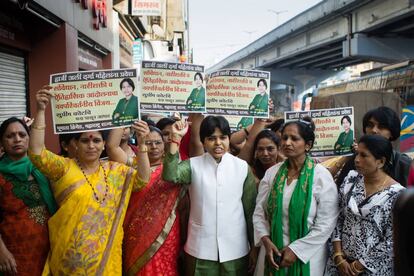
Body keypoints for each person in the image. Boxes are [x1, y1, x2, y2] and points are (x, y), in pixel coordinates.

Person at [28, 85, 151, 275]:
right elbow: (36, 153)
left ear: (104, 146)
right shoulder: (65, 168)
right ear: (75, 145)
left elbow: (143, 179)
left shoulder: (114, 171)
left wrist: (142, 145)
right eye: (85, 141)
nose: (91, 145)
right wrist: (41, 110)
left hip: (107, 261)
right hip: (68, 263)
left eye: (97, 141)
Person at [162, 116, 258, 275]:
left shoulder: (241, 167)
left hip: (236, 249)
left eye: (223, 138)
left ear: (229, 139)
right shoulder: (193, 165)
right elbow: (170, 175)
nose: (218, 143)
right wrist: (175, 138)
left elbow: (250, 210)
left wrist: (254, 246)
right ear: (203, 141)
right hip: (200, 249)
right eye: (211, 138)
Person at [253, 119, 338, 276]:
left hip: (307, 256)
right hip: (272, 253)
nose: (287, 142)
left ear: (308, 145)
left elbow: (326, 223)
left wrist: (296, 250)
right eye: (284, 138)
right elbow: (259, 213)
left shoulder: (320, 176)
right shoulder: (272, 173)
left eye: (294, 138)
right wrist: (265, 240)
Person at [107, 126, 184, 275]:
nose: (154, 147)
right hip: (135, 236)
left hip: (166, 235)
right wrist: (122, 119)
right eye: (148, 143)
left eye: (157, 142)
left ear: (164, 144)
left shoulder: (173, 167)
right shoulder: (132, 164)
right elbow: (111, 147)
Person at [325, 135, 405, 275]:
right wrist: (338, 256)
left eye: (364, 155)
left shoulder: (396, 195)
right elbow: (339, 218)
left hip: (373, 269)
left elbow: (392, 240)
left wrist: (359, 265)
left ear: (380, 162)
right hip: (339, 266)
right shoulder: (351, 180)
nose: (356, 159)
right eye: (357, 154)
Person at [0, 117, 57, 275]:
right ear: (2, 143)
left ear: (29, 138)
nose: (17, 139)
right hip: (15, 253)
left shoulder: (43, 167)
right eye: (9, 136)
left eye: (22, 134)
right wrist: (2, 252)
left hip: (49, 249)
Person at [333, 106, 411, 187]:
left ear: (392, 132)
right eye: (370, 125)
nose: (374, 130)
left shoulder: (404, 165)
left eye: (382, 127)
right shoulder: (355, 160)